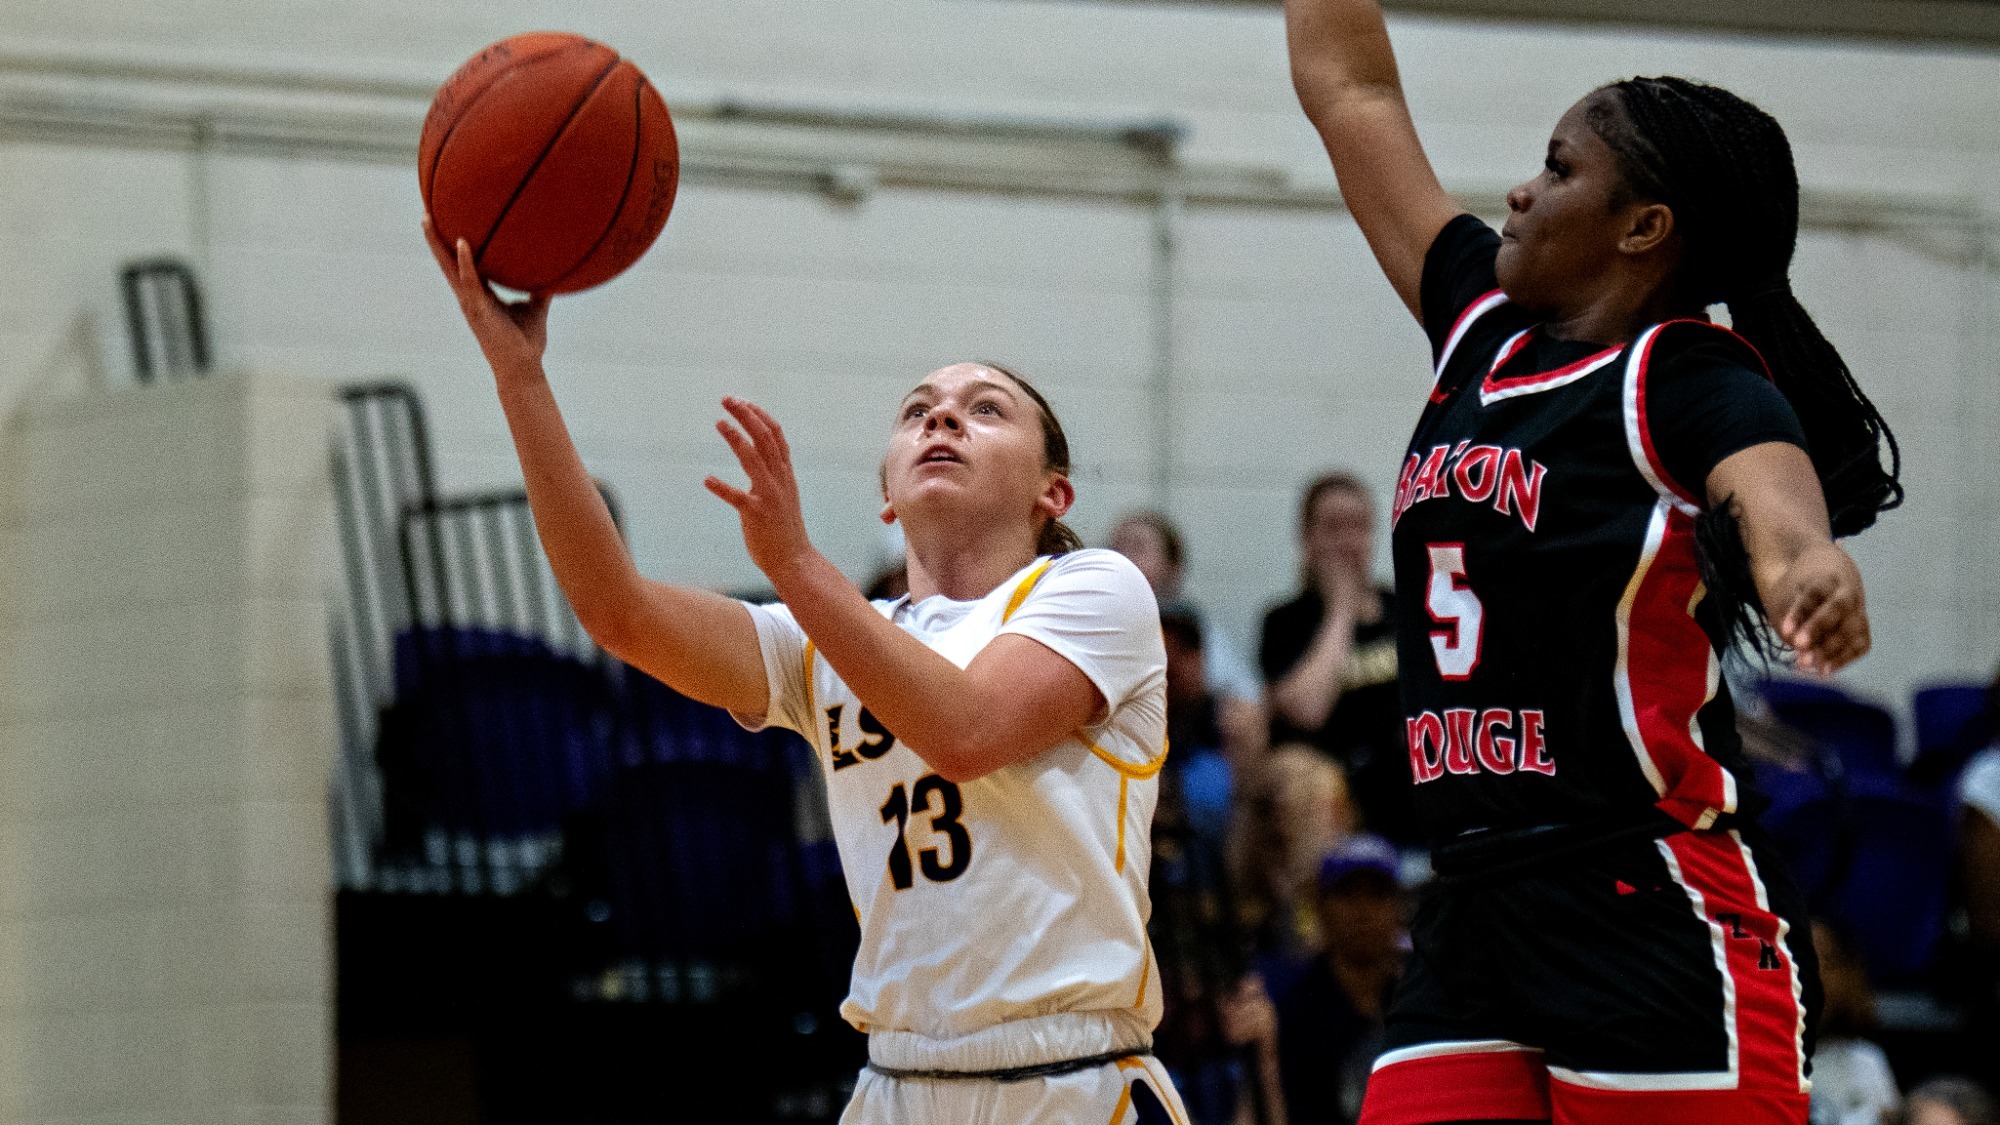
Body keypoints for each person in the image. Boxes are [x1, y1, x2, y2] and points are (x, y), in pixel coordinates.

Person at [1284, 0, 1902, 1120]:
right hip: (1471, 903)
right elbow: (1351, 92)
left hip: (1646, 898)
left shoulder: (1689, 374)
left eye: (1555, 167)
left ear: (1640, 227)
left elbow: (1770, 497)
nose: (1517, 189)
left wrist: (1805, 566)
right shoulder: (1480, 324)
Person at [425, 224, 1189, 1124]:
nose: (942, 417)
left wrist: (793, 562)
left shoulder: (1096, 588)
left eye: (986, 408)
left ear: (1052, 494)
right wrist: (520, 376)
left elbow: (966, 731)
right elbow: (615, 609)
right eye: (918, 411)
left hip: (1073, 1076)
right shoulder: (824, 638)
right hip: (894, 1082)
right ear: (886, 493)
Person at [1260, 475, 1413, 844]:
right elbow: (1308, 710)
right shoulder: (1285, 620)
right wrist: (1342, 610)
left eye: (1357, 527)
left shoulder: (1405, 611)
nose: (1347, 543)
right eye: (1333, 528)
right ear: (1307, 538)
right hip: (1325, 778)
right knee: (1308, 782)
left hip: (1399, 776)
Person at [1257, 833, 1410, 1125]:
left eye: (1377, 895)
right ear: (1322, 907)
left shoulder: (1414, 1002)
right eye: (1349, 894)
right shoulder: (1292, 1010)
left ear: (1398, 907)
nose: (1363, 911)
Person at [1112, 511, 1269, 765]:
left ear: (1172, 568)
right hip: (1120, 731)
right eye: (1114, 549)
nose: (1123, 558)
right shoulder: (1094, 623)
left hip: (1188, 738)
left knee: (1245, 717)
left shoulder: (1194, 627)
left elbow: (1244, 693)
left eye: (1138, 547)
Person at [1807, 920, 1901, 1125]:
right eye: (1806, 961)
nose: (1818, 976)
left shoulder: (1869, 1061)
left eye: (1829, 962)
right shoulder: (1760, 1066)